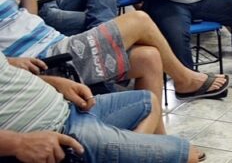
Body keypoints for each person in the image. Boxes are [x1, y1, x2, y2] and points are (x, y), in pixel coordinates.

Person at [0, 0, 229, 104]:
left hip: (57, 44)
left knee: (149, 56)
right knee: (138, 20)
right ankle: (184, 80)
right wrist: (12, 64)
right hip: (45, 62)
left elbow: (28, 16)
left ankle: (151, 144)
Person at [0, 52, 206, 163]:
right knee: (184, 155)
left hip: (69, 108)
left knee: (148, 102)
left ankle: (132, 148)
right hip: (60, 133)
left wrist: (55, 83)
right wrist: (18, 143)